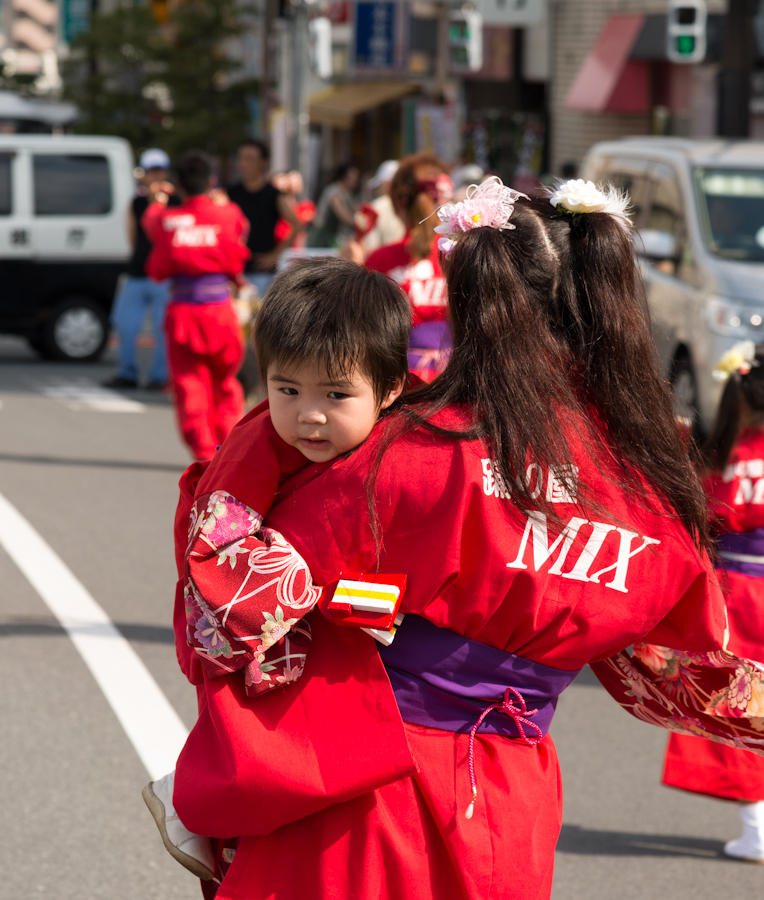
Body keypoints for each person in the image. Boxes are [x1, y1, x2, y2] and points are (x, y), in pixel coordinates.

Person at [160, 178, 764, 899]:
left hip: (365, 784)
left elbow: (234, 608)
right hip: (510, 794)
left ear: (473, 300)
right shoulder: (648, 484)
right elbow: (680, 671)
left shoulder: (404, 455)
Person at [141, 258, 410, 880]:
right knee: (266, 738)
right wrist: (343, 596)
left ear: (391, 389)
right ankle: (194, 799)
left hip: (315, 600)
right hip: (248, 610)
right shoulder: (255, 445)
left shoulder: (405, 428)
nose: (307, 415)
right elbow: (217, 553)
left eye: (335, 394)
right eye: (286, 390)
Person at [661, 340, 764, 863]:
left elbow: (700, 528)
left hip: (740, 595)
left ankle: (757, 825)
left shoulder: (722, 460)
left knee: (738, 702)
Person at [143, 151, 249, 461]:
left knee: (191, 389)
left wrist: (157, 203)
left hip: (185, 314)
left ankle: (207, 457)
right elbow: (239, 238)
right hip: (221, 311)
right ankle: (230, 453)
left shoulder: (169, 220)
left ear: (178, 184)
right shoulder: (228, 213)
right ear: (211, 181)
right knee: (226, 386)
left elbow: (157, 264)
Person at [365, 153, 454, 382]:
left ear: (397, 203)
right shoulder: (463, 254)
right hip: (457, 381)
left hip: (398, 383)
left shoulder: (380, 260)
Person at [105, 148, 173, 390]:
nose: (155, 176)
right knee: (125, 325)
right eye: (150, 171)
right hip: (137, 273)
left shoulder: (176, 201)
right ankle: (127, 372)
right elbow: (133, 238)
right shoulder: (136, 202)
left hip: (164, 277)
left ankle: (159, 377)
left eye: (159, 171)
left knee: (163, 329)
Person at [226, 141, 300, 299]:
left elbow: (297, 224)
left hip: (262, 272)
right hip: (233, 273)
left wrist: (276, 254)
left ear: (263, 162)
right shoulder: (230, 193)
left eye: (250, 159)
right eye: (241, 158)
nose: (244, 164)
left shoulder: (274, 195)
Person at [306, 164, 359, 250]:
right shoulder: (334, 191)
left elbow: (356, 208)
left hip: (330, 237)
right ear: (343, 178)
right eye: (352, 178)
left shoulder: (347, 194)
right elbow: (343, 215)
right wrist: (358, 223)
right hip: (320, 237)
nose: (355, 180)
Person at [361, 160, 405, 254]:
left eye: (379, 185)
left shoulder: (374, 207)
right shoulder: (409, 206)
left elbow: (369, 248)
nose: (377, 190)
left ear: (387, 183)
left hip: (380, 265)